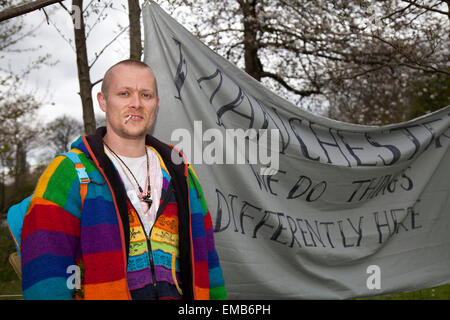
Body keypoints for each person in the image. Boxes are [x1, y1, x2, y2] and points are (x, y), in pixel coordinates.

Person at [20, 59, 227, 300]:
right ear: (103, 101)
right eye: (124, 93)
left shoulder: (180, 171)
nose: (136, 104)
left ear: (156, 105)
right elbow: (44, 272)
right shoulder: (70, 172)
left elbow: (208, 260)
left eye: (146, 95)